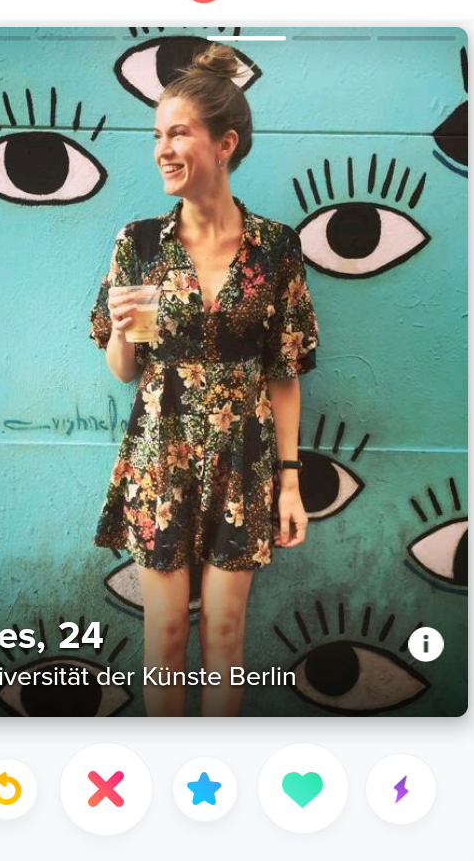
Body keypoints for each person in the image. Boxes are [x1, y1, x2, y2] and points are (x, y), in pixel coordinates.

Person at [89, 43, 319, 717]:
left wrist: (290, 481)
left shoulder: (277, 247)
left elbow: (284, 370)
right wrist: (124, 331)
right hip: (159, 458)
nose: (162, 150)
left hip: (243, 460)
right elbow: (124, 370)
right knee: (164, 636)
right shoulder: (139, 243)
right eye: (157, 135)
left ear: (225, 144)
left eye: (178, 134)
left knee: (224, 634)